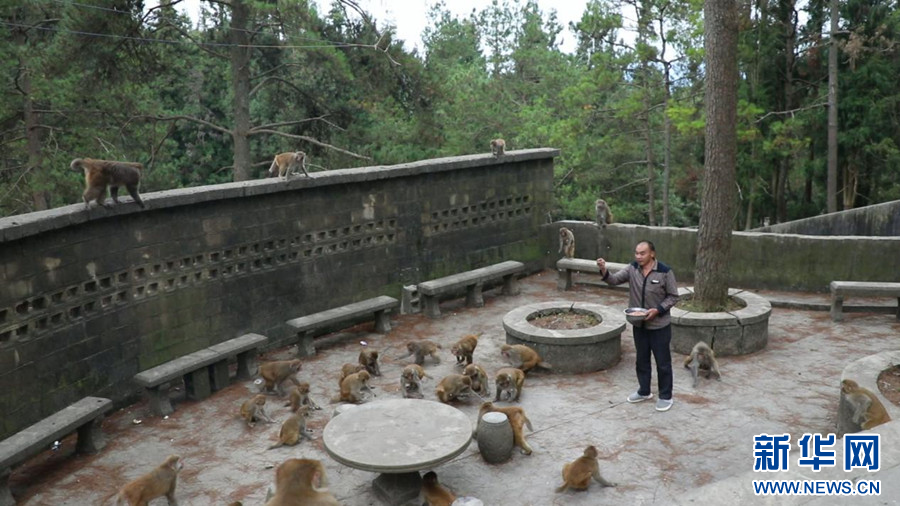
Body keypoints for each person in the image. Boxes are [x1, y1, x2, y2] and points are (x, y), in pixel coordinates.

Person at [596, 240, 679, 411]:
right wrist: (603, 269)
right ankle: (644, 391)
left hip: (659, 325)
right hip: (639, 325)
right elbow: (614, 280)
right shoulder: (632, 268)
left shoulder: (664, 271)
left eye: (642, 253)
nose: (638, 256)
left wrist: (657, 309)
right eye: (636, 253)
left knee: (663, 362)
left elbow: (673, 296)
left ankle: (665, 396)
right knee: (641, 359)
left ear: (652, 254)